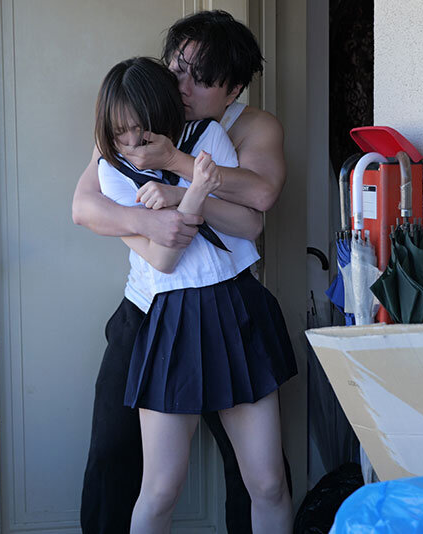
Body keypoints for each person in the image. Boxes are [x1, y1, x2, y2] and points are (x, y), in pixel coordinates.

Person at [72, 11, 290, 534]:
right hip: (150, 308)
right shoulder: (132, 125)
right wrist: (147, 223)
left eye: (202, 78)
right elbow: (85, 204)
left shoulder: (243, 128)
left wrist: (179, 181)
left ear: (233, 89)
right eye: (178, 69)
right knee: (116, 453)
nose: (184, 87)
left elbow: (259, 200)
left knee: (260, 476)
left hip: (229, 304)